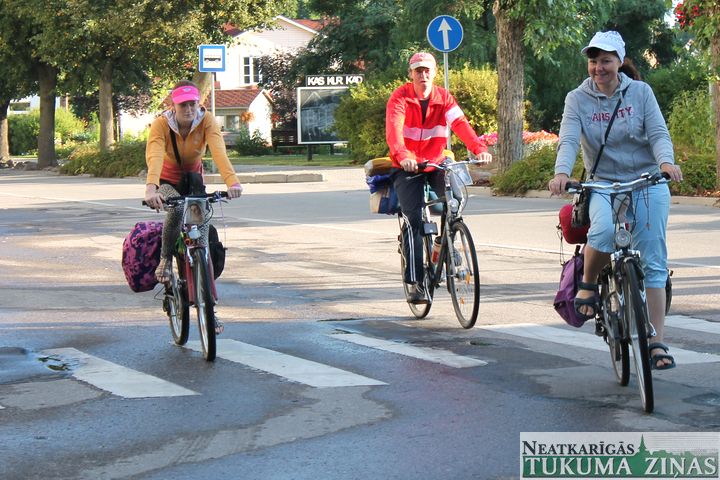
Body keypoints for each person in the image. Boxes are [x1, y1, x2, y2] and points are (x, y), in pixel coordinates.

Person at [548, 31, 683, 369]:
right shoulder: (576, 98)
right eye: (593, 61)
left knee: (653, 260)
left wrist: (666, 162)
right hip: (602, 183)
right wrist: (561, 173)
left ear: (620, 61)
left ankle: (656, 344)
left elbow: (657, 134)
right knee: (604, 232)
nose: (598, 67)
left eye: (605, 60)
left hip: (646, 179)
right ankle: (589, 285)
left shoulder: (640, 92)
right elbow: (567, 140)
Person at [386, 52, 492, 304]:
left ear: (435, 73)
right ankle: (415, 284)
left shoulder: (443, 98)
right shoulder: (400, 98)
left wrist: (479, 149)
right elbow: (394, 131)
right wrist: (403, 156)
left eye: (427, 70)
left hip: (436, 162)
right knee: (413, 220)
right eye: (418, 70)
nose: (423, 75)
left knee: (453, 201)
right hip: (407, 165)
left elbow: (461, 124)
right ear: (410, 74)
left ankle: (444, 243)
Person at [144, 81, 243, 331]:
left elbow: (219, 151)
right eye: (183, 105)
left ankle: (208, 309)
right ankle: (166, 260)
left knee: (204, 239)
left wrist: (232, 181)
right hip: (167, 182)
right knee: (176, 210)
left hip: (194, 181)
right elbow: (154, 155)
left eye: (192, 104)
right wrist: (151, 188)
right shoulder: (161, 124)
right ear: (173, 105)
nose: (188, 109)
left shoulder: (206, 120)